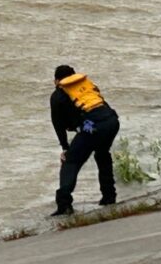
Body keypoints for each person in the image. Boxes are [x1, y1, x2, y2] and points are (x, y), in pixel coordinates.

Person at [49, 65, 120, 216]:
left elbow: (58, 124)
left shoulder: (58, 94)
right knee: (102, 153)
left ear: (56, 81)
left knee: (71, 162)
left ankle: (64, 205)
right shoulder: (87, 85)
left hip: (92, 127)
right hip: (112, 121)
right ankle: (109, 197)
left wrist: (65, 148)